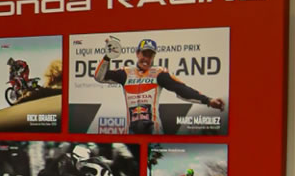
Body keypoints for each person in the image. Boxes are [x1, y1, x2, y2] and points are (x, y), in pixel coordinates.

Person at [92, 37, 221, 134]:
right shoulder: (125, 72)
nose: (146, 59)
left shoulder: (159, 73)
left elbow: (181, 89)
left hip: (154, 131)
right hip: (132, 132)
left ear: (154, 57)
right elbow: (99, 77)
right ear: (137, 53)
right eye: (144, 54)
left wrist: (208, 100)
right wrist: (108, 56)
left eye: (150, 55)